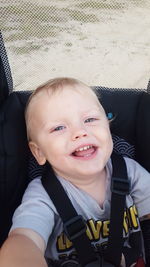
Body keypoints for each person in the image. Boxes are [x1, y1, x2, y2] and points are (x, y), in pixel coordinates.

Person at [0, 77, 150, 267]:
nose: (80, 132)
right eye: (59, 127)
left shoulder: (129, 171)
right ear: (39, 152)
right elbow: (24, 238)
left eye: (90, 119)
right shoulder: (42, 195)